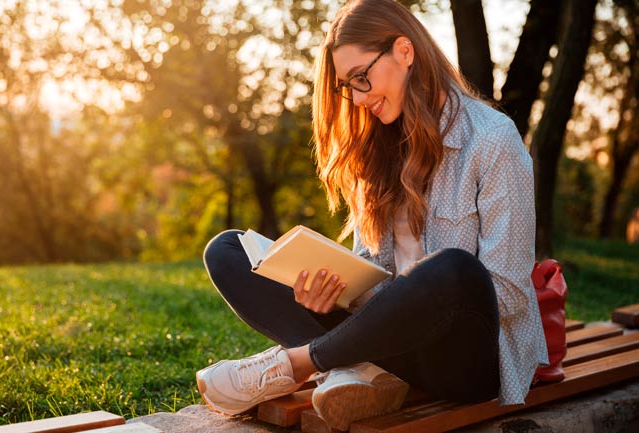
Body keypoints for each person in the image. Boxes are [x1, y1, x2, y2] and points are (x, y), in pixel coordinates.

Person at [196, 0, 548, 429]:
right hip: (385, 342)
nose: (359, 98)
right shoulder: (377, 146)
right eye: (349, 85)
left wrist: (406, 300)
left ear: (404, 50)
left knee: (454, 269)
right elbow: (371, 272)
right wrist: (331, 289)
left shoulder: (492, 140)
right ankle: (358, 369)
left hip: (463, 361)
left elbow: (507, 294)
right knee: (229, 251)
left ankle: (299, 364)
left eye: (362, 77)